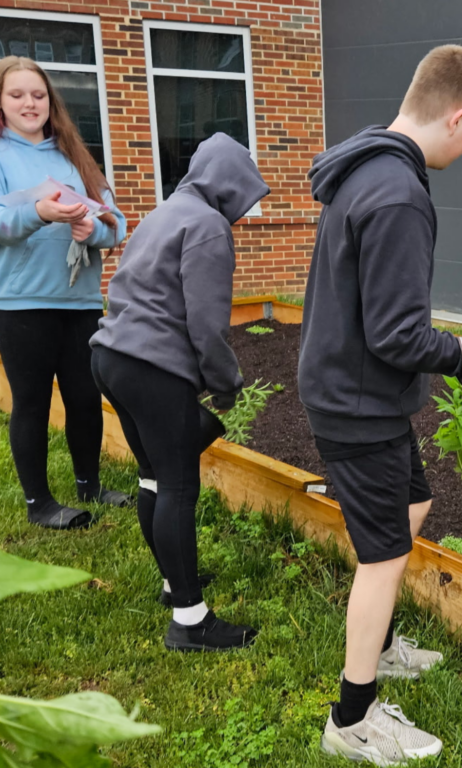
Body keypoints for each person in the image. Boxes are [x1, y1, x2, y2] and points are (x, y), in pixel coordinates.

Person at [299, 45, 462, 764]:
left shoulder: (366, 170)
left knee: (411, 509)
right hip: (357, 402)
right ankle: (352, 716)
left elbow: (381, 311)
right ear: (458, 116)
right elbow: (398, 334)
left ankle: (380, 644)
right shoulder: (399, 193)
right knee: (383, 555)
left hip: (357, 389)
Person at [90, 133, 268, 652]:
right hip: (153, 366)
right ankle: (191, 622)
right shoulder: (209, 226)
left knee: (153, 477)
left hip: (110, 356)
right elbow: (207, 326)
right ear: (229, 184)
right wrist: (226, 385)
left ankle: (175, 586)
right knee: (178, 487)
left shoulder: (164, 212)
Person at [0, 56, 128, 530]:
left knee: (84, 396)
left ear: (50, 101)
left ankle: (90, 485)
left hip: (80, 301)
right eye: (16, 95)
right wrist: (39, 211)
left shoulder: (74, 154)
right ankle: (40, 505)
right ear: (1, 102)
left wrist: (90, 229)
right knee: (31, 401)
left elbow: (117, 225)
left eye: (38, 94)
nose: (29, 103)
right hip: (21, 303)